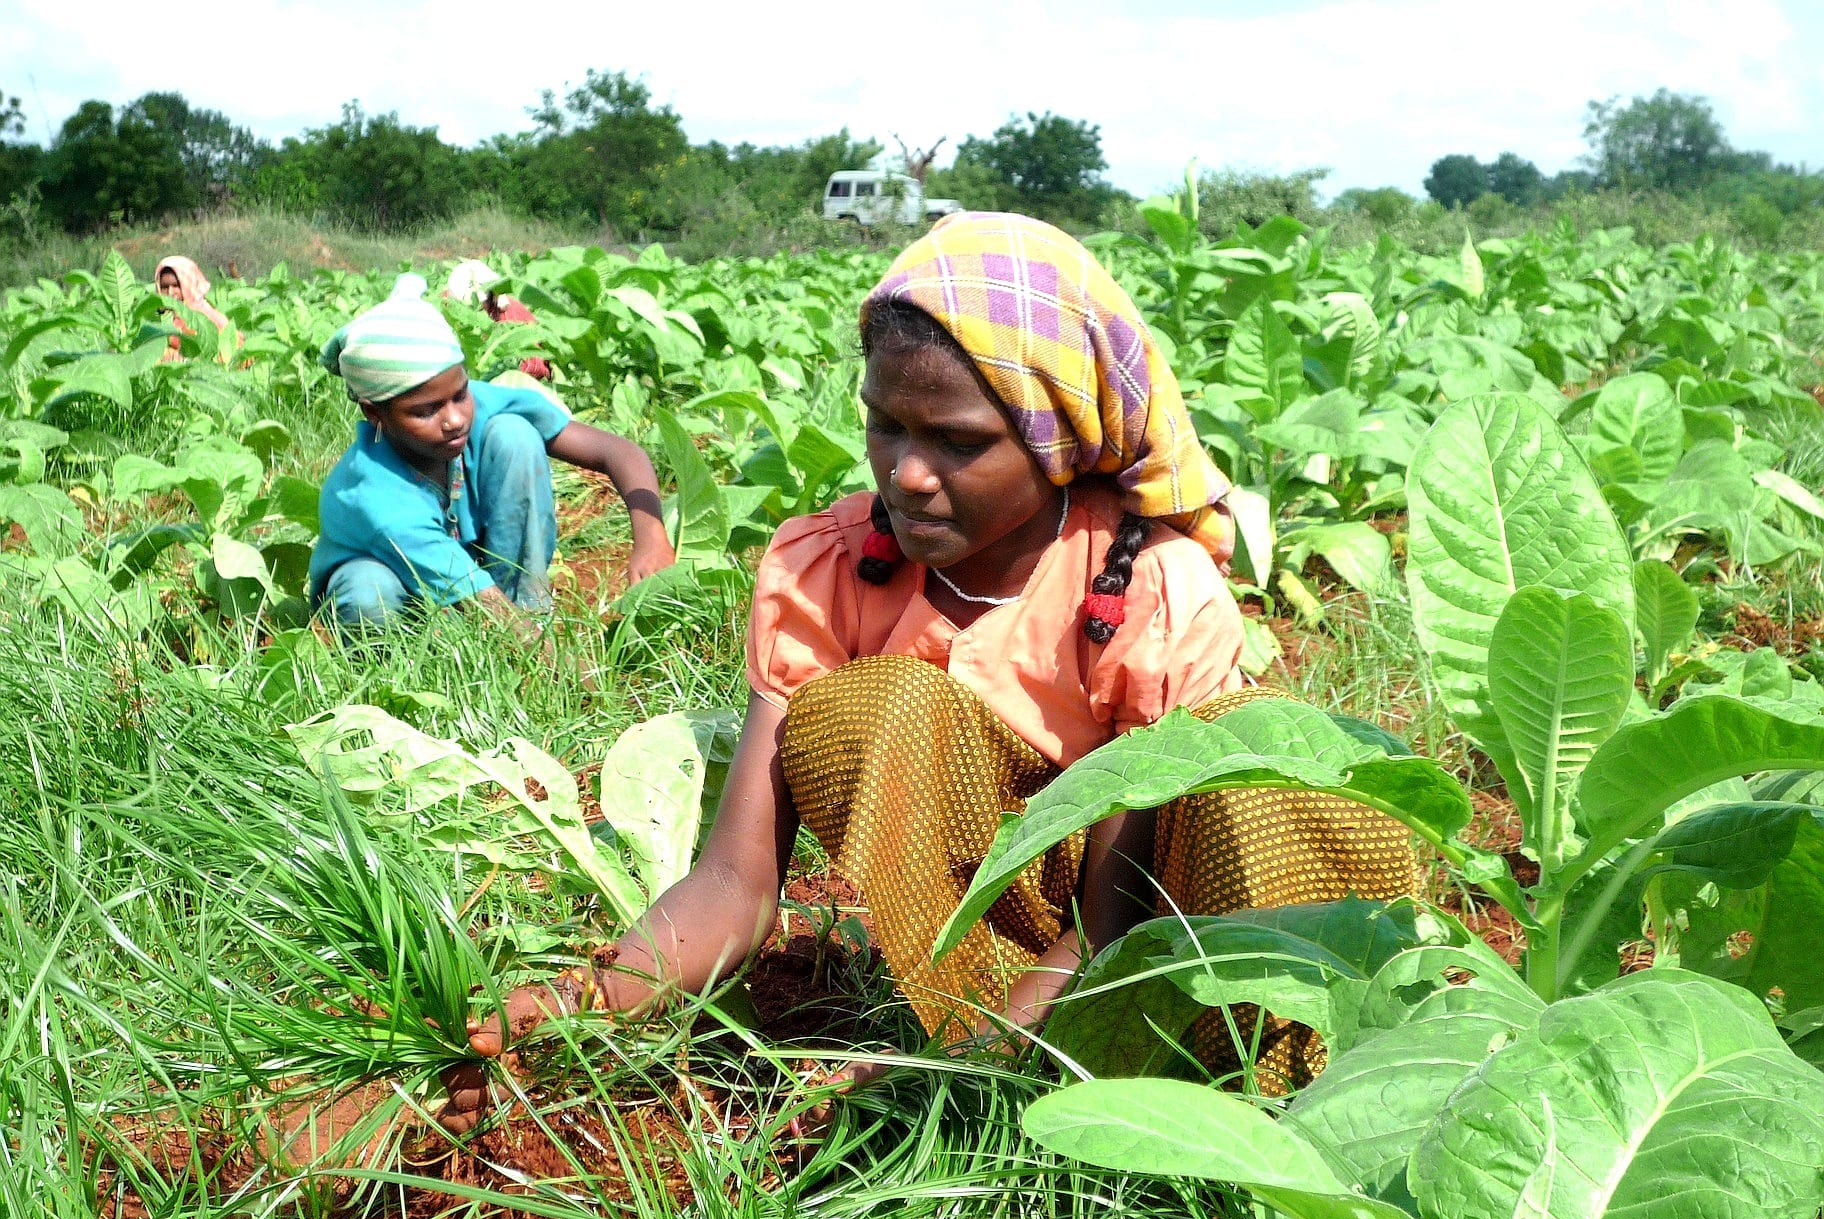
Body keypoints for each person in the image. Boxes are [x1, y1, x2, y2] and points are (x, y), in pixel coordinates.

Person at [444, 214, 1415, 1133]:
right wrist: (583, 999)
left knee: (1268, 773)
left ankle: (1255, 1108)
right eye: (887, 427)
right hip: (989, 982)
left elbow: (1109, 921)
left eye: (958, 442)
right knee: (872, 708)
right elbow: (738, 881)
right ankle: (989, 1061)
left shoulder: (1148, 590)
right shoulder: (826, 571)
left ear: (1056, 441)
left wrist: (966, 1064)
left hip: (1158, 962)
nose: (907, 472)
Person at [309, 273, 675, 631]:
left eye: (460, 394)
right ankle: (393, 667)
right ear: (374, 412)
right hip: (398, 590)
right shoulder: (371, 492)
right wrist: (563, 671)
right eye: (426, 411)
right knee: (369, 593)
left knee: (515, 433)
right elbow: (476, 598)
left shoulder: (481, 407)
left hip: (469, 579)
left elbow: (618, 452)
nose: (454, 419)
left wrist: (651, 536)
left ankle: (528, 606)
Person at [446, 259, 551, 381]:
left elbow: (536, 365)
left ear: (491, 294)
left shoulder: (510, 314)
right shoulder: (447, 306)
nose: (473, 309)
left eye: (479, 303)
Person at [154, 255, 237, 361]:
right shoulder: (167, 317)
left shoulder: (202, 316)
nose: (170, 293)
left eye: (176, 286)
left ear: (189, 284)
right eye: (164, 287)